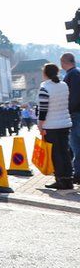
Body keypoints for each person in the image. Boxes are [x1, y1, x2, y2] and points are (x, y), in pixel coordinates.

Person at [37, 63, 74, 189]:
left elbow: (43, 110)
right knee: (65, 152)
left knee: (55, 153)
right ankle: (68, 179)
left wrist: (40, 125)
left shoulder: (44, 87)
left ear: (45, 73)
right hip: (65, 123)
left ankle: (60, 179)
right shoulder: (64, 85)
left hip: (51, 125)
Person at [60, 53, 80, 183]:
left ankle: (78, 174)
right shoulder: (76, 73)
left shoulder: (72, 75)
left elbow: (74, 97)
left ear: (64, 62)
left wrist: (68, 110)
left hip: (75, 115)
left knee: (76, 146)